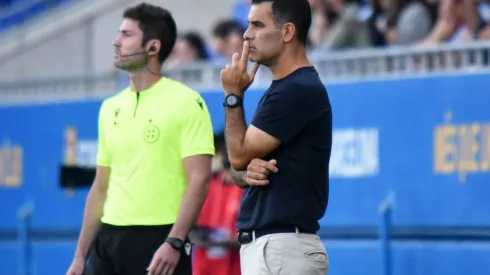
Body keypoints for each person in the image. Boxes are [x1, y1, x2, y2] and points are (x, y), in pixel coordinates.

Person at [66, 3, 215, 275]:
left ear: (152, 47)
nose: (115, 41)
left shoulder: (187, 102)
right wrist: (79, 257)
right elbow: (100, 187)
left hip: (160, 241)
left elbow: (200, 179)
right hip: (107, 243)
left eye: (126, 34)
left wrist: (174, 241)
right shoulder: (109, 107)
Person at [219, 0, 332, 274]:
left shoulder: (297, 89)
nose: (247, 34)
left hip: (283, 249)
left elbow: (236, 155)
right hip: (276, 248)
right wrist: (246, 172)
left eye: (257, 25)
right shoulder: (286, 88)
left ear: (287, 32)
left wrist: (233, 96)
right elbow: (236, 168)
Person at [191, 132, 242, 275]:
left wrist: (228, 242)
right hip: (204, 268)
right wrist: (201, 239)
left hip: (236, 268)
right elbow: (189, 227)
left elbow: (254, 235)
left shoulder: (247, 191)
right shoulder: (206, 188)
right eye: (221, 151)